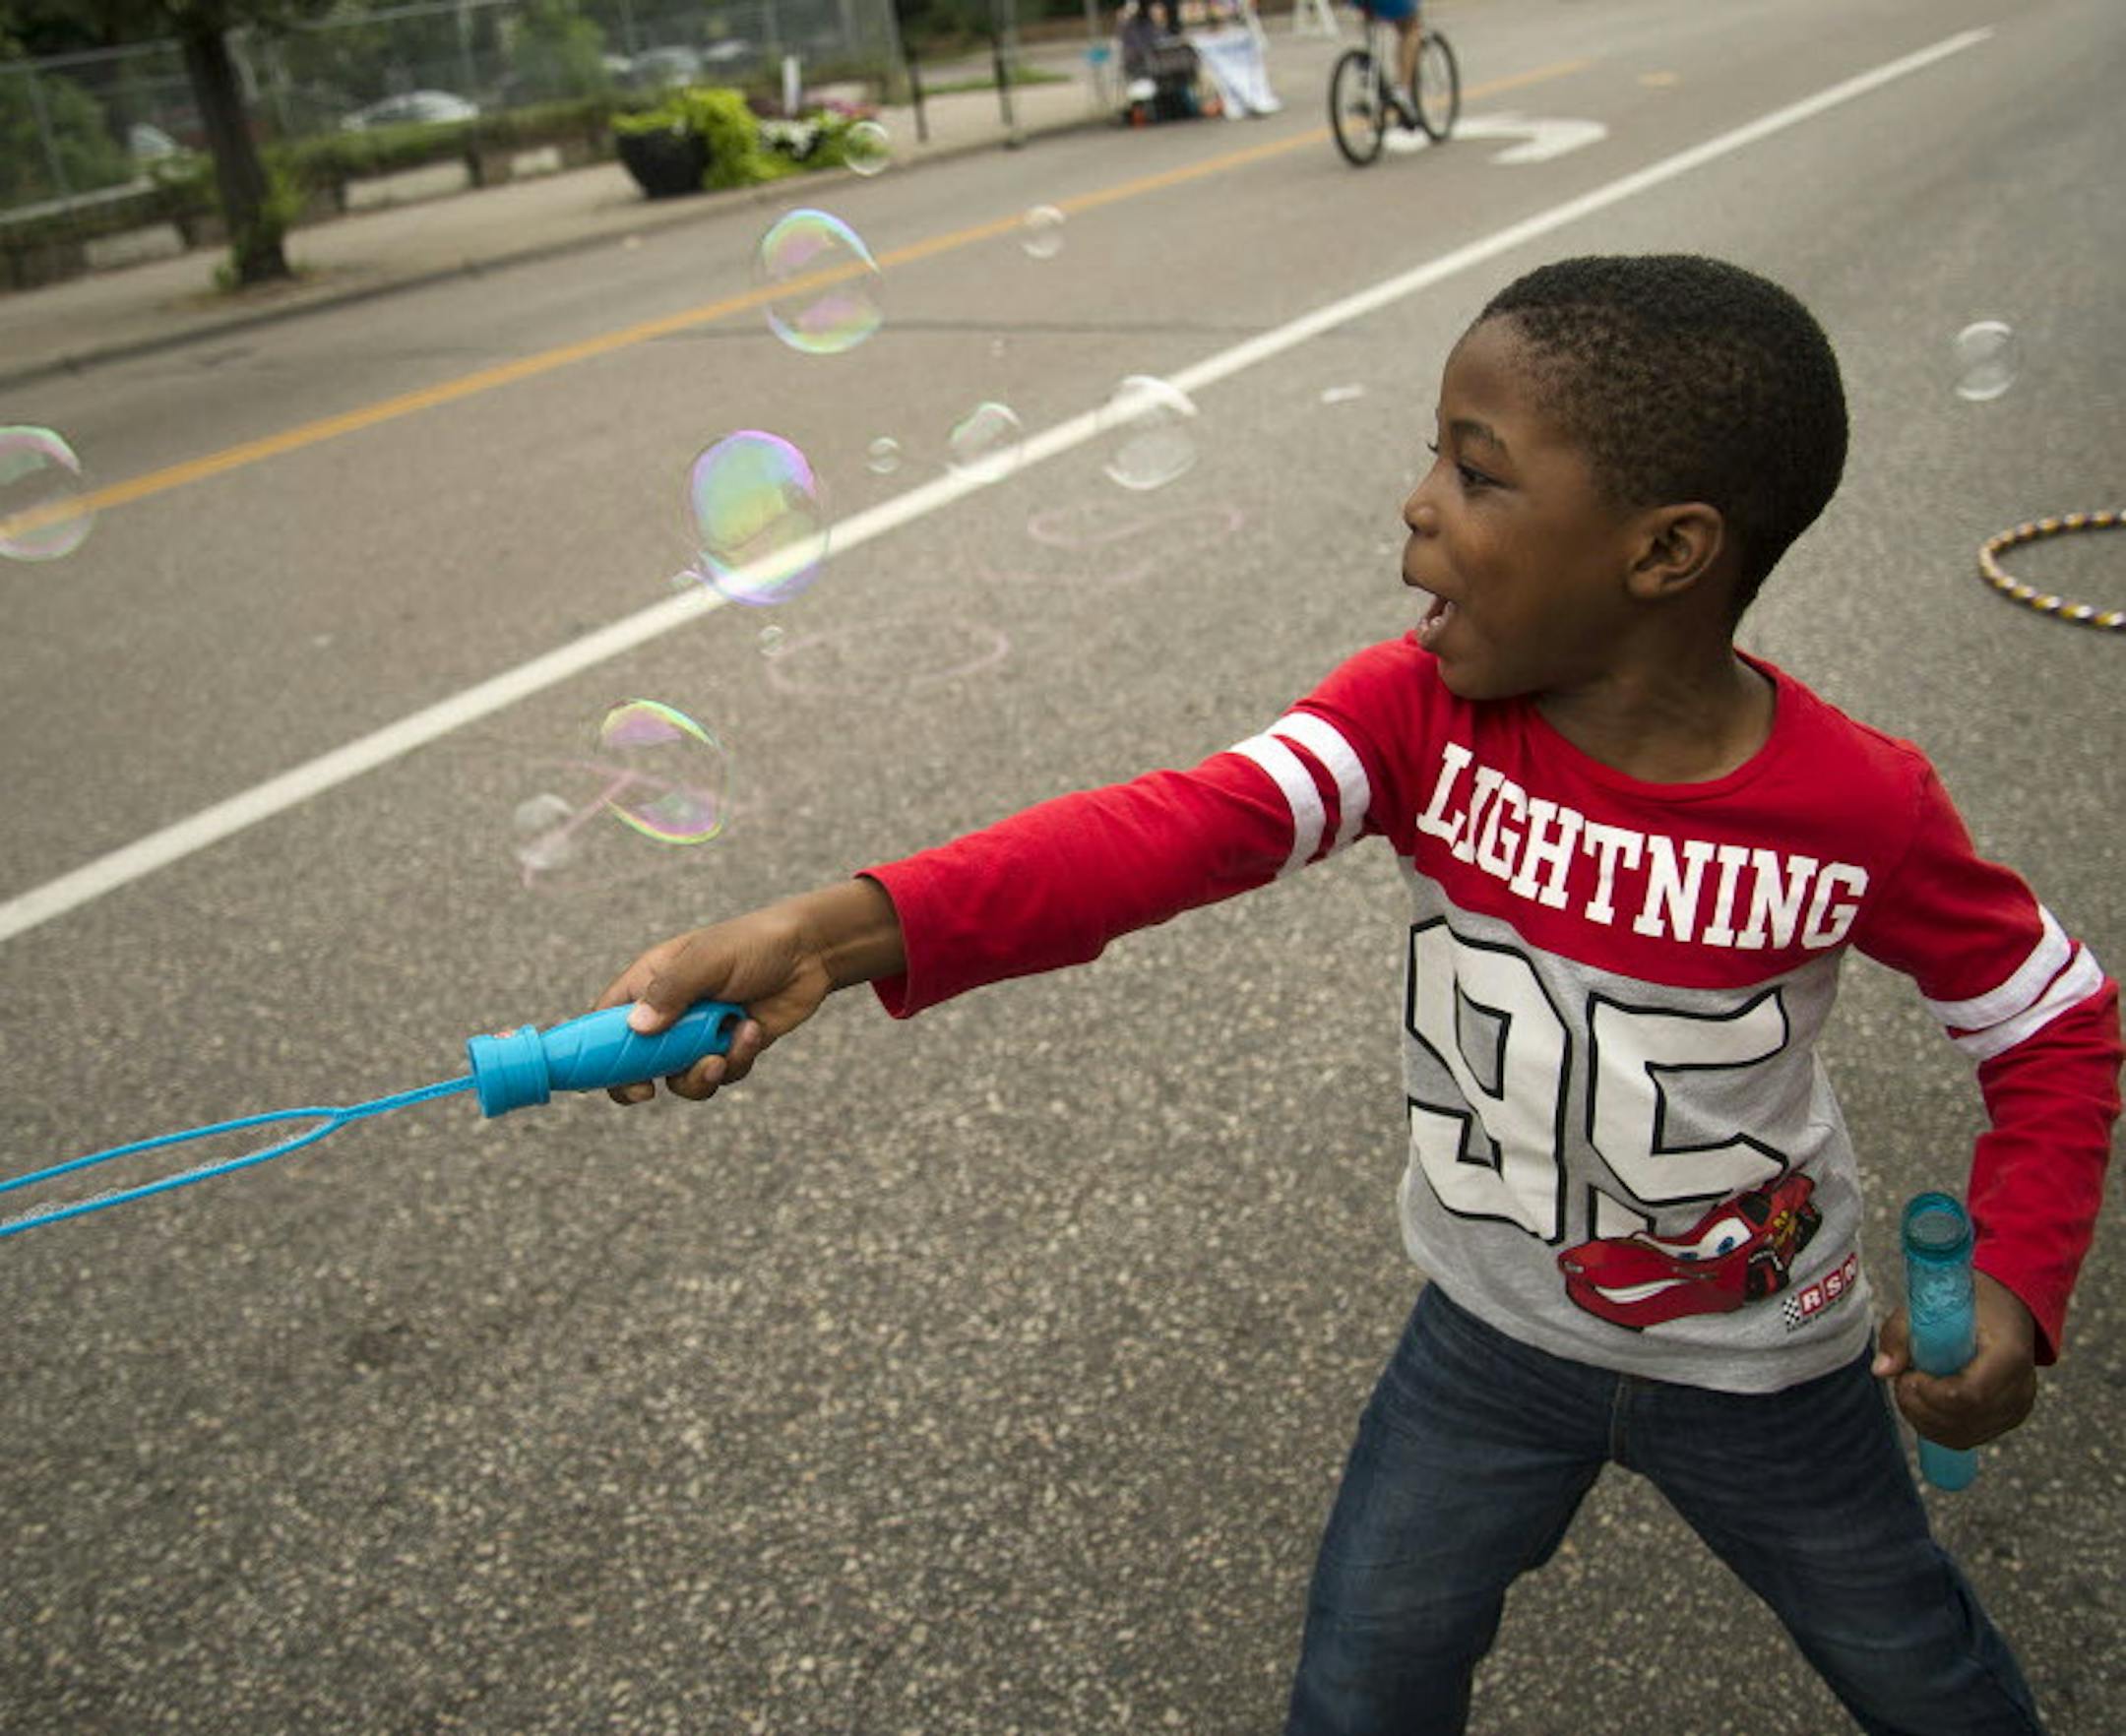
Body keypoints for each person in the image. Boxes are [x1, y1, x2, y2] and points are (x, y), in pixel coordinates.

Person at [594, 255, 2122, 1734]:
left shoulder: (1859, 808)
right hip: (1488, 1345)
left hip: (1772, 1362)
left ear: (1663, 554)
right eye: (1432, 460)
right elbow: (1169, 830)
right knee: (1364, 1680)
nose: (1418, 504)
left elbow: (2053, 1025)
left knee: (1917, 1668)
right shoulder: (1415, 721)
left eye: (1479, 472)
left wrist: (2015, 1283)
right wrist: (836, 930)